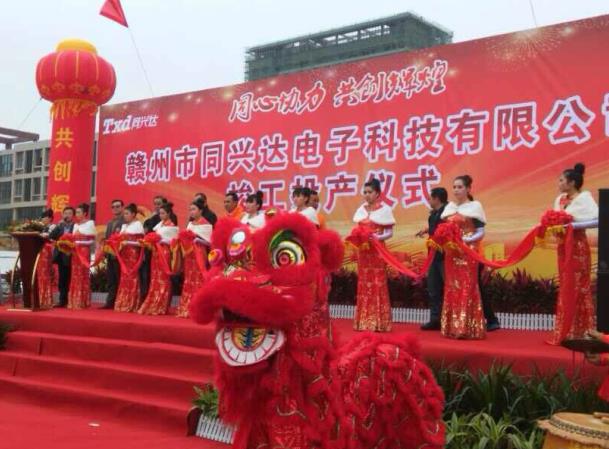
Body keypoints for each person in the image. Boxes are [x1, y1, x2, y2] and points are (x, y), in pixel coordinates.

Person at [550, 163, 598, 344]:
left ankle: (583, 330)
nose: (559, 183)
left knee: (579, 286)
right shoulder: (560, 199)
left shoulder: (585, 199)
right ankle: (567, 331)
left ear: (571, 183)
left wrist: (571, 225)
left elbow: (596, 221)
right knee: (566, 285)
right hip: (563, 247)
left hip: (578, 247)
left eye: (561, 180)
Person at [440, 175, 489, 339]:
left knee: (467, 286)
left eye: (460, 187)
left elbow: (481, 232)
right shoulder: (449, 207)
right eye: (454, 187)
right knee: (452, 286)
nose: (456, 190)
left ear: (468, 189)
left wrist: (466, 240)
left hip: (468, 252)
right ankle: (452, 327)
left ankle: (467, 328)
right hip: (452, 252)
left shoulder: (475, 207)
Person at [352, 178, 395, 332]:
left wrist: (376, 237)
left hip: (377, 251)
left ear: (377, 193)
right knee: (364, 283)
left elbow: (389, 233)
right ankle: (363, 321)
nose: (367, 195)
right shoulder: (361, 210)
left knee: (378, 283)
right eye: (365, 192)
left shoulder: (385, 210)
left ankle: (379, 322)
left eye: (370, 192)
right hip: (363, 252)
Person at [139, 203, 179, 315]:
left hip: (164, 252)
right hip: (156, 252)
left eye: (163, 213)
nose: (161, 215)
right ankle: (153, 302)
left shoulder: (172, 226)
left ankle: (161, 304)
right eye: (160, 213)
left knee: (163, 278)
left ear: (169, 214)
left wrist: (159, 240)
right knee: (155, 277)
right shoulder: (159, 225)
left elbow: (173, 242)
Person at [417, 187, 448, 331]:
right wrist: (426, 230)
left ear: (437, 199)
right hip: (433, 256)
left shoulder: (447, 213)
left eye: (430, 198)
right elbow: (434, 230)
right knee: (433, 288)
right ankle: (435, 319)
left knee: (448, 287)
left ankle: (449, 319)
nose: (429, 200)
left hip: (445, 256)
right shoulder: (434, 214)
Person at [176, 199, 212, 318]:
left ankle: (199, 307)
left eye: (193, 209)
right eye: (190, 210)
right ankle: (186, 306)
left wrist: (198, 240)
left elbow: (209, 243)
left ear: (200, 211)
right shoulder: (190, 224)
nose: (191, 212)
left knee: (198, 278)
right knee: (188, 278)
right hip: (189, 254)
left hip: (199, 254)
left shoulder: (206, 224)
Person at [114, 203, 145, 312]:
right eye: (124, 214)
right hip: (124, 254)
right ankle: (123, 302)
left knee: (132, 276)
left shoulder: (138, 225)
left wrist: (127, 242)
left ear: (133, 214)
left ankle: (132, 303)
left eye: (127, 213)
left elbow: (141, 243)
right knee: (124, 277)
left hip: (133, 254)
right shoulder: (124, 226)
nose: (125, 216)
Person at [68, 203, 96, 310]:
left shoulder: (90, 223)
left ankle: (82, 301)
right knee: (75, 275)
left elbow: (91, 241)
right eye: (76, 212)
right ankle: (74, 300)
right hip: (75, 252)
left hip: (83, 252)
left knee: (83, 274)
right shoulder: (75, 225)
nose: (77, 214)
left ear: (85, 213)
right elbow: (72, 239)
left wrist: (79, 243)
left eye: (79, 212)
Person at [141, 196, 166, 302]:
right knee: (147, 273)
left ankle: (159, 298)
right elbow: (146, 232)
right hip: (149, 249)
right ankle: (147, 296)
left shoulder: (168, 218)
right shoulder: (151, 218)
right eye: (155, 204)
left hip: (161, 250)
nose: (156, 206)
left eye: (159, 204)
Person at [49, 206, 75, 308]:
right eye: (65, 213)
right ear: (63, 215)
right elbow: (51, 236)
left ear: (73, 216)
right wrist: (58, 225)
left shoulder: (75, 226)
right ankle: (62, 300)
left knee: (70, 278)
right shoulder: (60, 226)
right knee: (62, 278)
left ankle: (70, 299)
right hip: (60, 255)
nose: (67, 215)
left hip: (71, 255)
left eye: (69, 213)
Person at [101, 199, 124, 309]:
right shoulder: (110, 223)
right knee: (111, 279)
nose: (115, 208)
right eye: (113, 207)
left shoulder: (125, 221)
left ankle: (119, 302)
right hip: (110, 255)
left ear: (122, 207)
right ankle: (110, 302)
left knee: (119, 279)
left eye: (118, 206)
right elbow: (107, 238)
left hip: (120, 255)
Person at [37, 209, 56, 310]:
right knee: (39, 275)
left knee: (45, 275)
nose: (42, 219)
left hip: (47, 252)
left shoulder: (53, 227)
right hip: (39, 253)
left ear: (50, 218)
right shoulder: (40, 227)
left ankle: (46, 299)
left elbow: (49, 238)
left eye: (44, 217)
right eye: (42, 218)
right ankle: (39, 297)